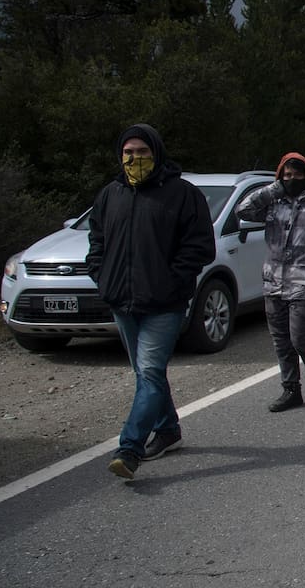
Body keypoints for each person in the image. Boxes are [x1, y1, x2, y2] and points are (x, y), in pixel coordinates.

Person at [87, 123, 214, 480]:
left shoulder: (182, 194)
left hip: (165, 303)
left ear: (155, 154)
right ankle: (169, 428)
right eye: (129, 153)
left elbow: (200, 246)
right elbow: (96, 240)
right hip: (122, 300)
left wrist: (172, 281)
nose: (135, 158)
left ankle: (129, 449)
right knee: (146, 374)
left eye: (142, 152)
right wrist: (101, 275)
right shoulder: (110, 194)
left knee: (150, 372)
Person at [236, 152, 305, 412]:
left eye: (297, 175)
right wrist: (274, 188)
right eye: (287, 175)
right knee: (281, 341)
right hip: (274, 282)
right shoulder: (274, 202)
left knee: (301, 338)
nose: (292, 179)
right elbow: (243, 209)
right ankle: (290, 389)